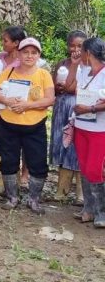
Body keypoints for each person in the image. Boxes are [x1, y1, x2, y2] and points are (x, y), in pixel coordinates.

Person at [0, 38, 56, 214]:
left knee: (38, 163)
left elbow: (50, 99)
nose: (29, 56)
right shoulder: (9, 71)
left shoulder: (43, 74)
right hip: (9, 124)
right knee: (9, 161)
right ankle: (12, 197)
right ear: (18, 53)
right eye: (25, 52)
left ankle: (34, 200)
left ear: (38, 55)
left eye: (34, 53)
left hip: (34, 125)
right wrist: (5, 100)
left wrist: (28, 105)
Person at [65, 37, 105, 227]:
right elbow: (69, 87)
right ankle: (88, 209)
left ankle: (101, 212)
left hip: (99, 129)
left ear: (88, 53)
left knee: (95, 168)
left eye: (82, 51)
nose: (78, 53)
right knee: (84, 167)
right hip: (82, 126)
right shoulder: (84, 71)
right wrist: (73, 66)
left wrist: (90, 109)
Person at [0, 26, 27, 189]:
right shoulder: (0, 59)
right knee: (0, 144)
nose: (2, 43)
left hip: (18, 110)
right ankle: (2, 183)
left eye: (5, 41)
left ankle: (16, 182)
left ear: (16, 43)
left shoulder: (24, 61)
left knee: (15, 146)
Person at [50, 31, 85, 202]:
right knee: (62, 147)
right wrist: (72, 65)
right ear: (67, 46)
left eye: (80, 46)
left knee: (77, 149)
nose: (76, 49)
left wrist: (77, 65)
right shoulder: (61, 64)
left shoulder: (90, 66)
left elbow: (73, 88)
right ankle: (61, 191)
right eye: (72, 45)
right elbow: (58, 88)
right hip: (62, 109)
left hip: (79, 111)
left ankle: (81, 193)